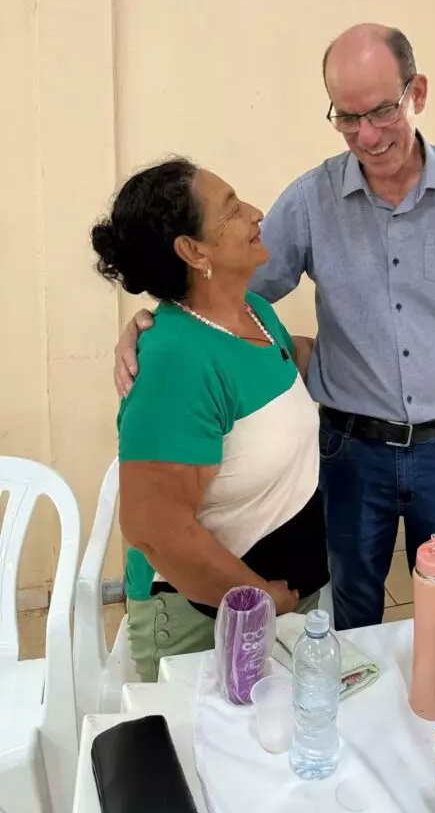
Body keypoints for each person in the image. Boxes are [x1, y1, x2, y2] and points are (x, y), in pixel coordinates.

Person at [113, 24, 435, 629]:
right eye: (347, 117)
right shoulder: (311, 201)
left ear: (417, 92)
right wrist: (149, 320)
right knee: (353, 611)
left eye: (382, 111)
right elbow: (220, 296)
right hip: (351, 449)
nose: (366, 135)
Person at [92, 159, 328, 681]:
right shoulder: (176, 361)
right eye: (232, 209)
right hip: (208, 620)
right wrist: (258, 597)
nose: (256, 214)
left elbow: (289, 367)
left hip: (275, 602)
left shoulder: (255, 314)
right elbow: (155, 529)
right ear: (194, 251)